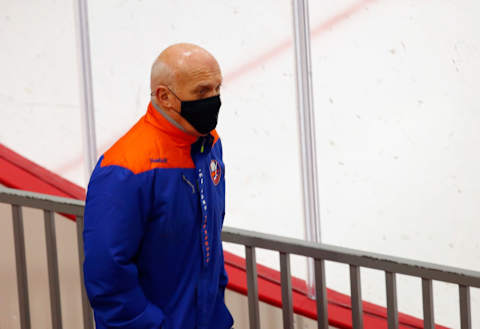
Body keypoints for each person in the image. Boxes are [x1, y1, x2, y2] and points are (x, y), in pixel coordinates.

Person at [83, 43, 234, 329]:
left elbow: (209, 237)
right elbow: (107, 274)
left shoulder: (209, 144)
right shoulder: (126, 169)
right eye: (202, 92)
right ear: (164, 96)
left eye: (217, 89)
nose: (213, 99)